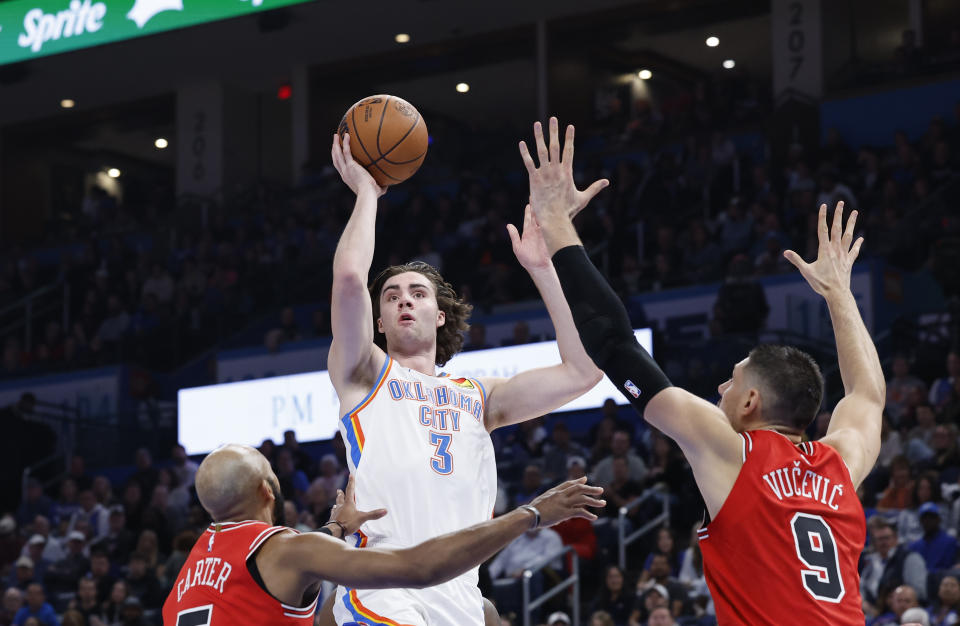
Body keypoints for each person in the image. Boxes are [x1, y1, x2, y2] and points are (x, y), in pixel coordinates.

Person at [522, 117, 886, 624]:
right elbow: (867, 395)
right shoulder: (840, 464)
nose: (721, 388)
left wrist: (556, 220)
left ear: (752, 401)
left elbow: (616, 345)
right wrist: (839, 294)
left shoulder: (733, 450)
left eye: (731, 380)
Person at [320, 131, 603, 626]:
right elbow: (347, 280)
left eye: (417, 293)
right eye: (391, 296)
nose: (404, 299)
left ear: (441, 314)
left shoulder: (478, 395)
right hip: (382, 583)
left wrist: (544, 265)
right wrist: (367, 193)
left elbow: (584, 370)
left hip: (459, 596)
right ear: (379, 323)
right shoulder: (363, 373)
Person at [161, 444, 602, 624]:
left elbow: (276, 570)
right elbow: (419, 567)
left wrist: (336, 527)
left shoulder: (196, 561)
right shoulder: (289, 550)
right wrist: (530, 514)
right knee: (480, 611)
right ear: (267, 490)